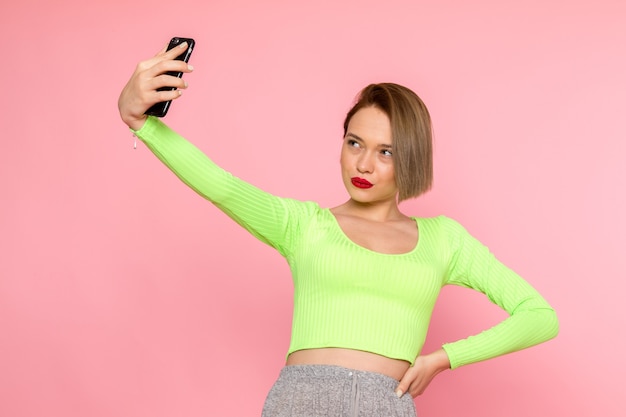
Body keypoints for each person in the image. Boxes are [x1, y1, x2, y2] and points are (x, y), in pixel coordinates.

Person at [118, 42, 559, 417]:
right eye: (354, 143)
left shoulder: (445, 240)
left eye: (385, 151)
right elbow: (223, 186)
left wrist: (445, 359)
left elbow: (539, 316)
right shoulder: (304, 224)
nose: (363, 164)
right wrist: (144, 124)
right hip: (299, 400)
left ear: (411, 157)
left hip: (385, 404)